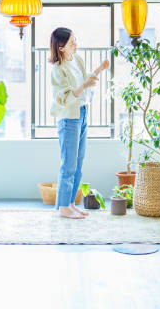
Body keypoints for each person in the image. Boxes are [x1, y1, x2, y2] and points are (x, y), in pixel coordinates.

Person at [49, 27, 109, 219]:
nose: (76, 44)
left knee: (78, 164)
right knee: (68, 164)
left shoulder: (78, 60)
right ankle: (63, 207)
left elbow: (85, 80)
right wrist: (84, 86)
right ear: (60, 47)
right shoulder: (58, 70)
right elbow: (64, 96)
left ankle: (69, 204)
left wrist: (100, 68)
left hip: (82, 113)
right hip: (68, 118)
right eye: (71, 42)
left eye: (75, 39)